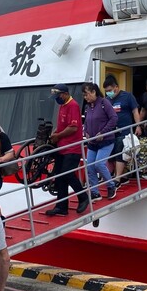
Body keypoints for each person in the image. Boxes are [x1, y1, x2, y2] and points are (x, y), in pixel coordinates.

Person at [46, 84, 89, 216]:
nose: (56, 99)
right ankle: (61, 206)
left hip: (72, 147)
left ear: (64, 94)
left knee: (67, 174)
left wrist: (57, 135)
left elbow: (73, 127)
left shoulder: (73, 105)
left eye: (58, 96)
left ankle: (83, 197)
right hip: (62, 146)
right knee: (59, 176)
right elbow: (62, 125)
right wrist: (55, 133)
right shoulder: (62, 105)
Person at [82, 83, 118, 201]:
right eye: (84, 95)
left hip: (106, 141)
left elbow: (114, 118)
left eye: (87, 94)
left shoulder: (104, 103)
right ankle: (95, 192)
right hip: (92, 142)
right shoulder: (88, 107)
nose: (86, 97)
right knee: (90, 166)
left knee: (99, 164)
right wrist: (86, 132)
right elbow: (86, 122)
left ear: (93, 92)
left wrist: (103, 132)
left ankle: (111, 186)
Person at [103, 74, 141, 184]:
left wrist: (138, 125)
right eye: (106, 91)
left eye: (110, 90)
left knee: (120, 152)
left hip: (124, 131)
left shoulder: (127, 96)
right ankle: (118, 175)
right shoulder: (106, 100)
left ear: (116, 87)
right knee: (111, 154)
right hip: (110, 132)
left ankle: (117, 178)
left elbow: (135, 111)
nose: (108, 93)